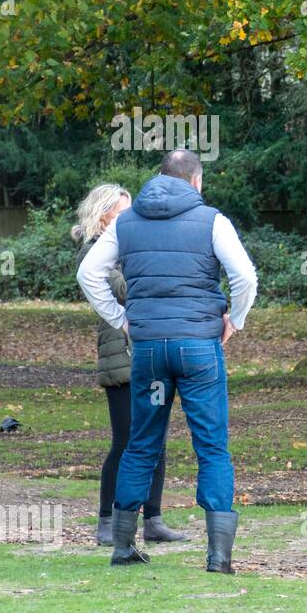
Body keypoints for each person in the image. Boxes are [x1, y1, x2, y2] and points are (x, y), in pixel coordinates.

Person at [77, 149, 258, 572]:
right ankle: (218, 556)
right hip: (198, 348)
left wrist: (122, 319)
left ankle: (122, 546)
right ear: (195, 181)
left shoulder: (125, 222)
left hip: (149, 351)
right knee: (212, 447)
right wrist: (236, 319)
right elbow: (245, 276)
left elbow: (89, 273)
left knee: (141, 444)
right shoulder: (212, 220)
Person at [72, 184, 188, 548]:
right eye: (123, 213)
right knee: (124, 441)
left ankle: (153, 519)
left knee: (158, 440)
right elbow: (126, 289)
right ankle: (107, 519)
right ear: (103, 216)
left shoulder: (125, 248)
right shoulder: (95, 253)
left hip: (149, 352)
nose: (131, 219)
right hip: (120, 357)